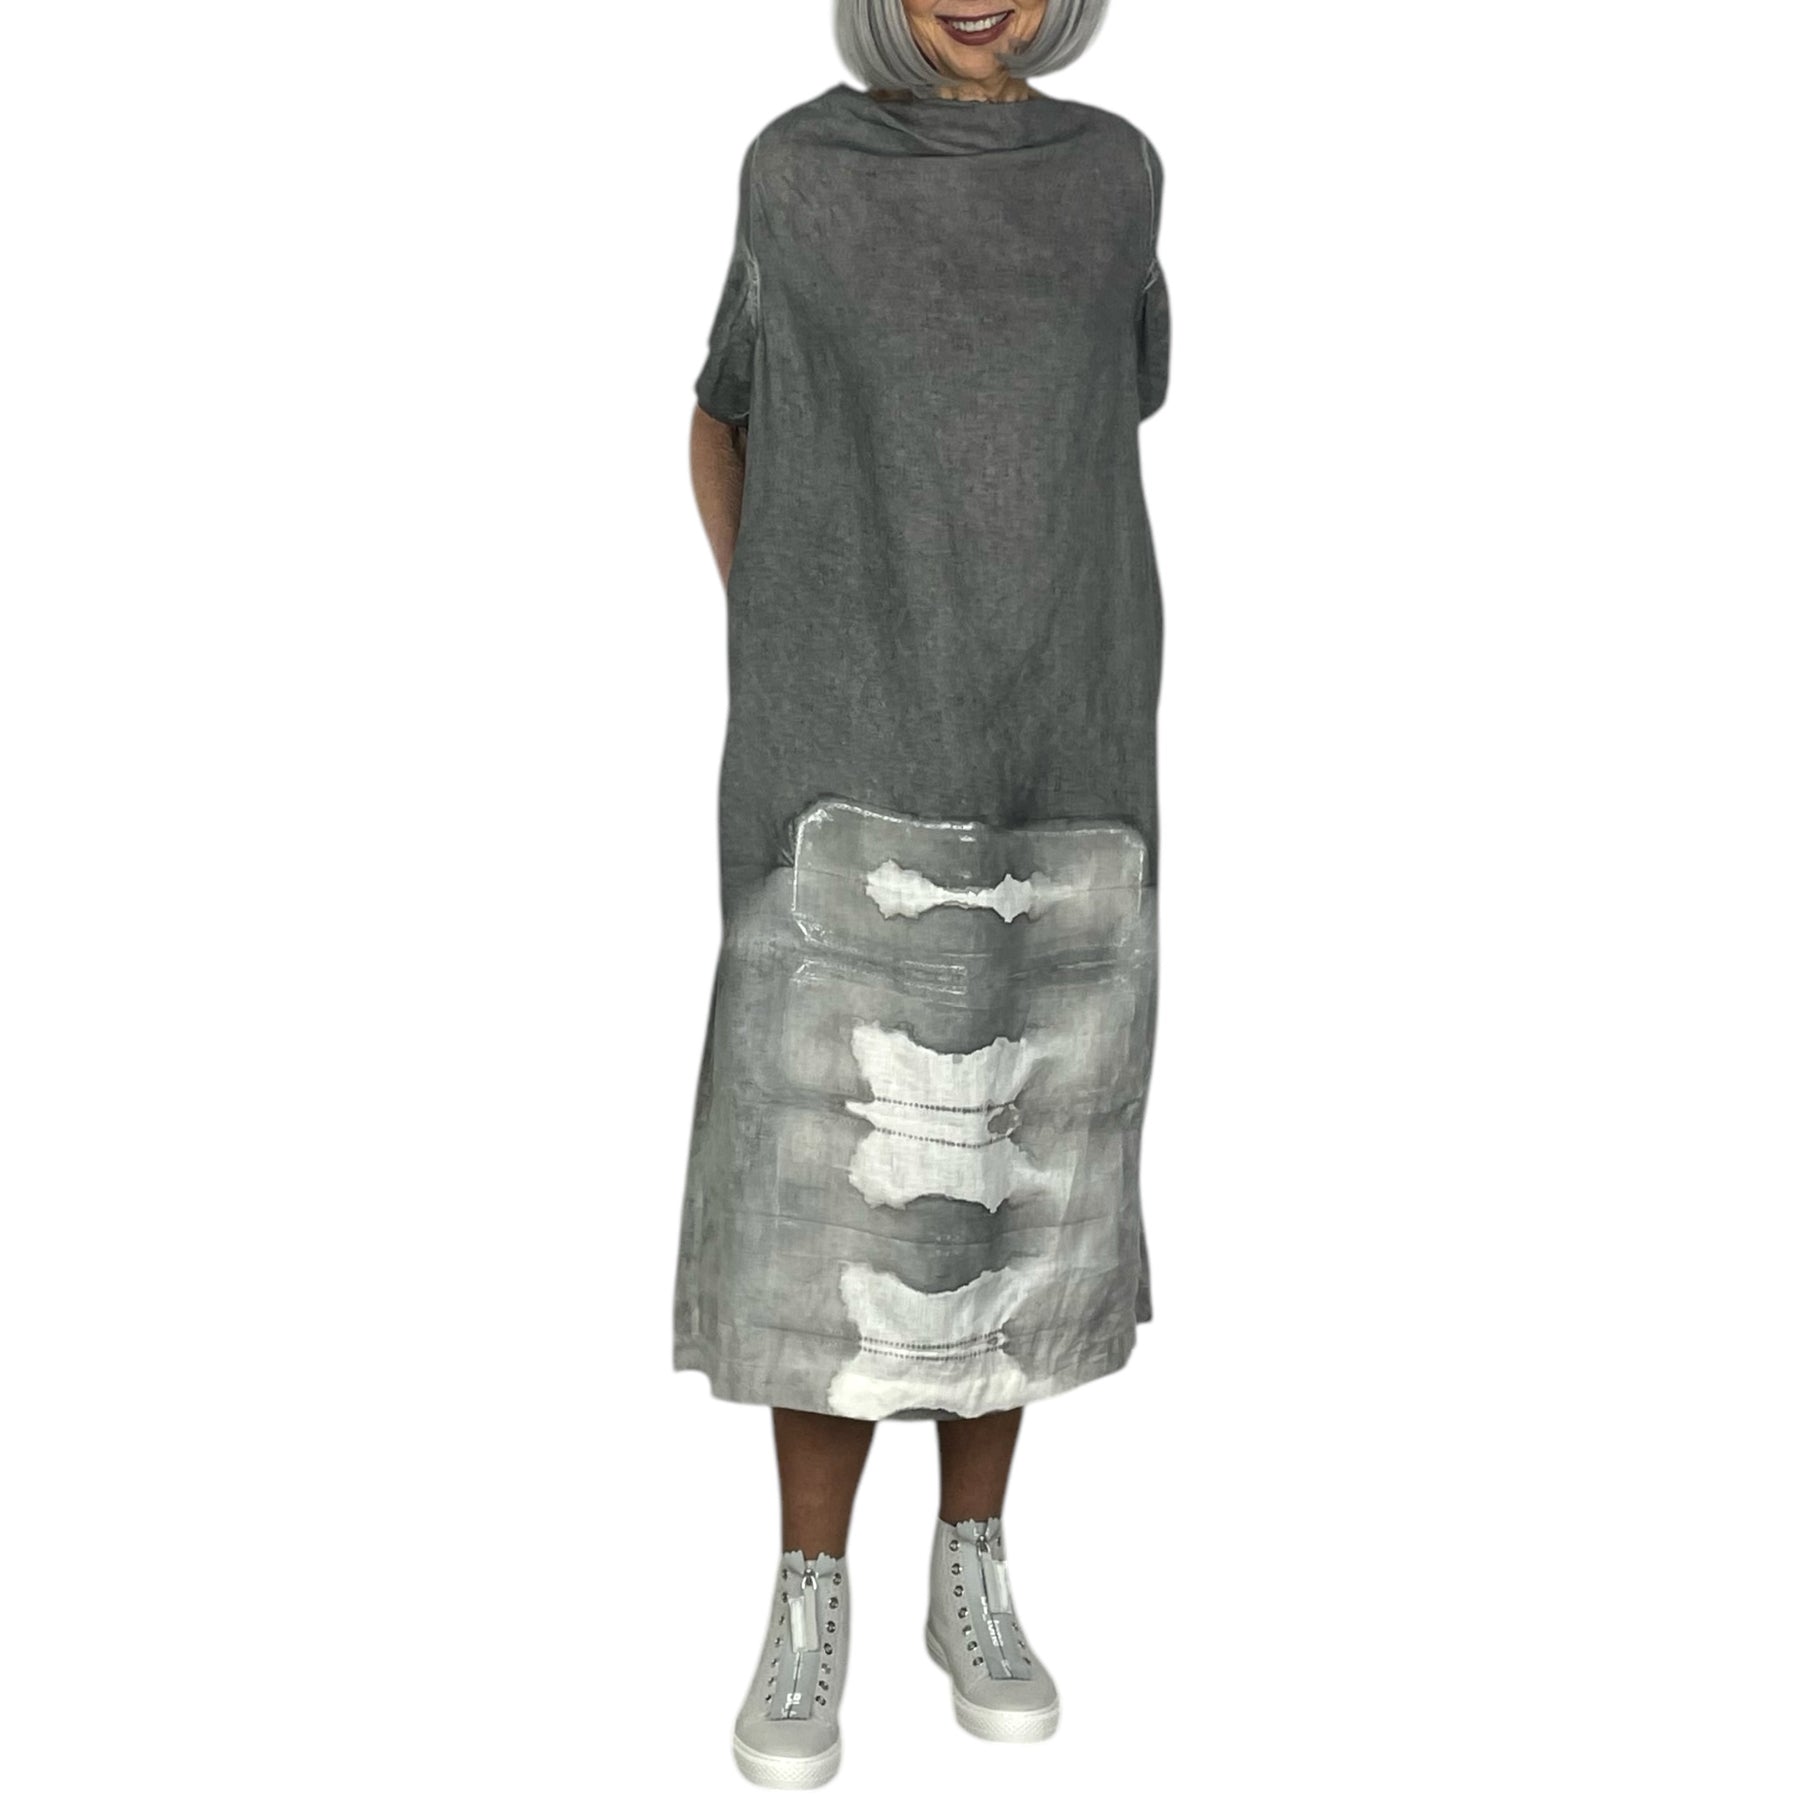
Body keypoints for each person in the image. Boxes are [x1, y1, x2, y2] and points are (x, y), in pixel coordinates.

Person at [679, 1, 1170, 1784]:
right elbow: (722, 417)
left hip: (1063, 732)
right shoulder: (800, 172)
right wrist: (789, 624)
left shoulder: (1113, 176)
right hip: (839, 742)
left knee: (1018, 1174)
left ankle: (974, 1572)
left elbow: (1089, 420)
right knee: (823, 1176)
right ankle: (807, 1596)